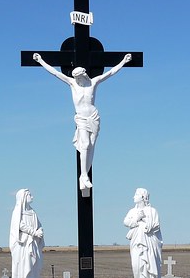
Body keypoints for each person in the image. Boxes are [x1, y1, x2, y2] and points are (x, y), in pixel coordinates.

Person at [32, 52, 133, 191]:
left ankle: (84, 176)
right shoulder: (72, 83)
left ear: (84, 75)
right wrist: (41, 61)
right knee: (84, 145)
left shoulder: (93, 83)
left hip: (94, 116)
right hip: (81, 118)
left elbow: (110, 73)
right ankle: (84, 175)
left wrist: (123, 62)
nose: (77, 80)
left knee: (91, 146)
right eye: (76, 78)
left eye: (79, 77)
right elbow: (55, 73)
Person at [123, 188, 164, 278]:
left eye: (136, 194)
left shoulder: (152, 211)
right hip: (136, 242)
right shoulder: (132, 211)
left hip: (149, 243)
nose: (133, 197)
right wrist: (137, 218)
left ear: (143, 197)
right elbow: (126, 222)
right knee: (137, 266)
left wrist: (143, 218)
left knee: (150, 266)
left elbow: (155, 226)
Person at [9, 189, 44, 278]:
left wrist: (40, 231)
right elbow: (19, 226)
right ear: (23, 197)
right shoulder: (18, 212)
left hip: (33, 245)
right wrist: (34, 232)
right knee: (25, 269)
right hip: (23, 246)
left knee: (34, 269)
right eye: (29, 195)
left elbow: (39, 225)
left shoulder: (33, 212)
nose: (32, 196)